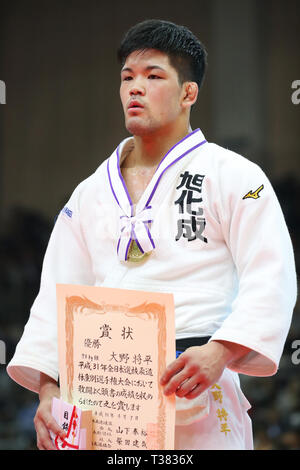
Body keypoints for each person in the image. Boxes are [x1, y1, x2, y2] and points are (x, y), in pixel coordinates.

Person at [7, 19, 297, 450]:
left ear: (188, 93)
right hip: (104, 387)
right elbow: (57, 294)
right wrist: (49, 390)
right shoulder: (89, 194)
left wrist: (221, 352)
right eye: (127, 78)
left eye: (153, 76)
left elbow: (270, 273)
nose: (134, 88)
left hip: (196, 375)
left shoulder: (233, 175)